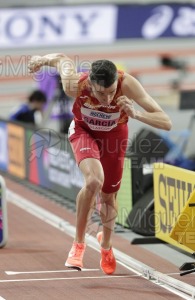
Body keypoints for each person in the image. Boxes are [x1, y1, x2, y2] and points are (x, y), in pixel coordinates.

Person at [28, 53, 172, 275]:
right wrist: (41, 60)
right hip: (84, 132)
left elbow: (166, 122)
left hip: (114, 137)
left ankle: (106, 246)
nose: (106, 99)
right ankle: (78, 245)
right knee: (94, 181)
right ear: (91, 85)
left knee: (107, 196)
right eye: (101, 93)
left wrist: (136, 114)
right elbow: (61, 59)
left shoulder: (128, 84)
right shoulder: (74, 85)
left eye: (112, 92)